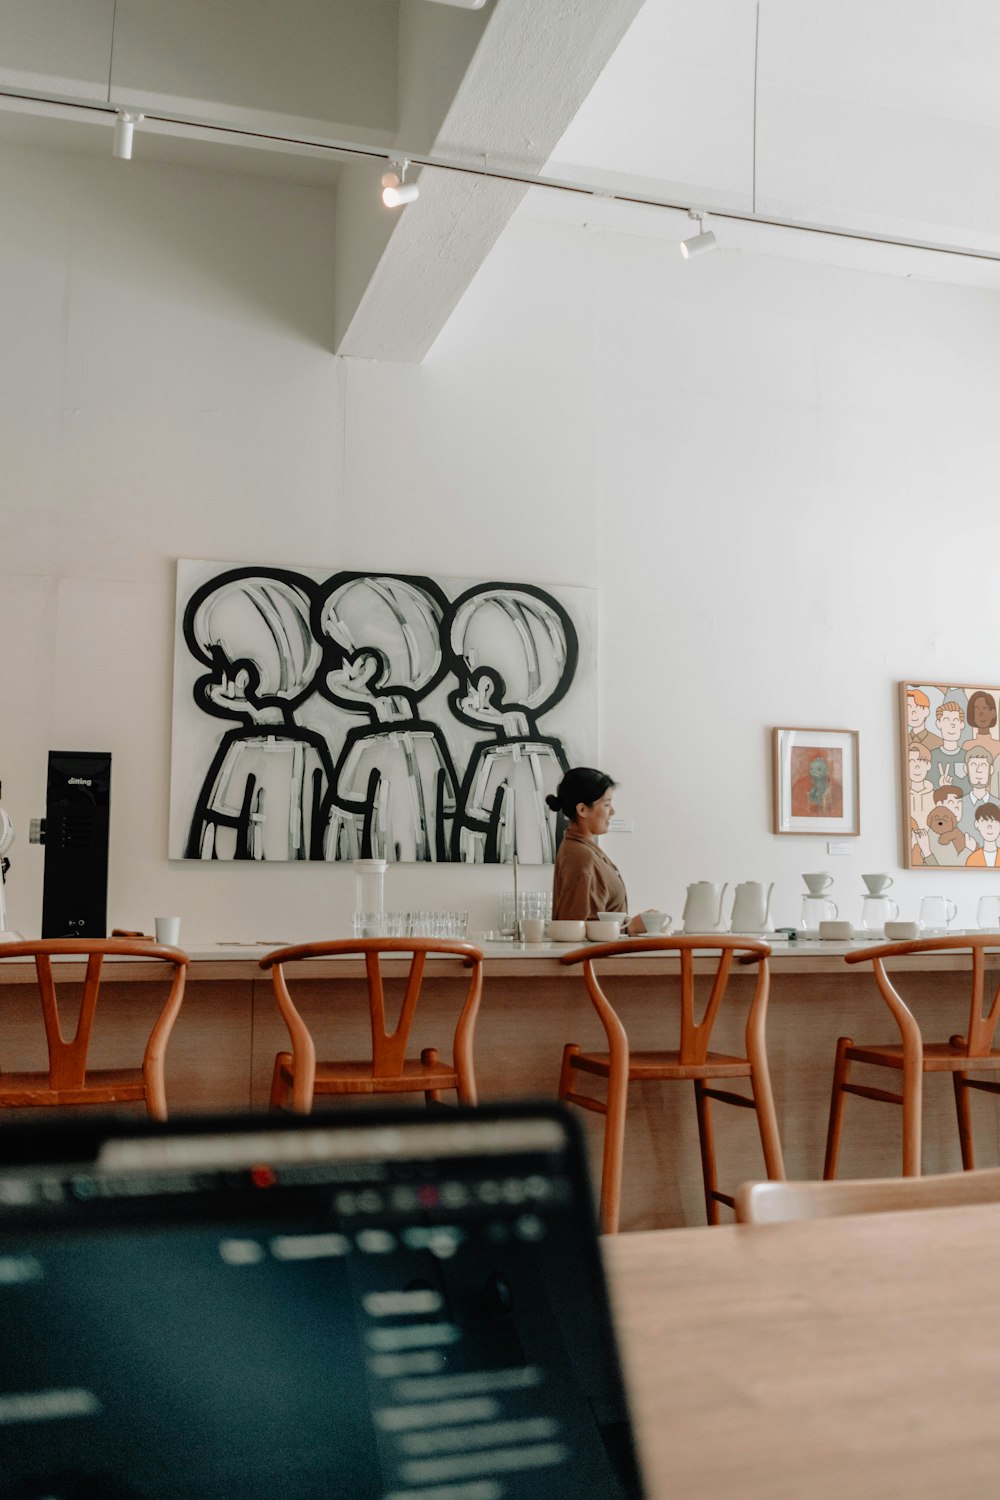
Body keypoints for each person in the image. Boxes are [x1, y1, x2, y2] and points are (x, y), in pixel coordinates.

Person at [547, 767, 649, 931]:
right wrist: (632, 927)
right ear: (582, 810)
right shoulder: (581, 855)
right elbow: (577, 929)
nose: (612, 811)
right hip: (596, 956)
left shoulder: (585, 850)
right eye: (607, 804)